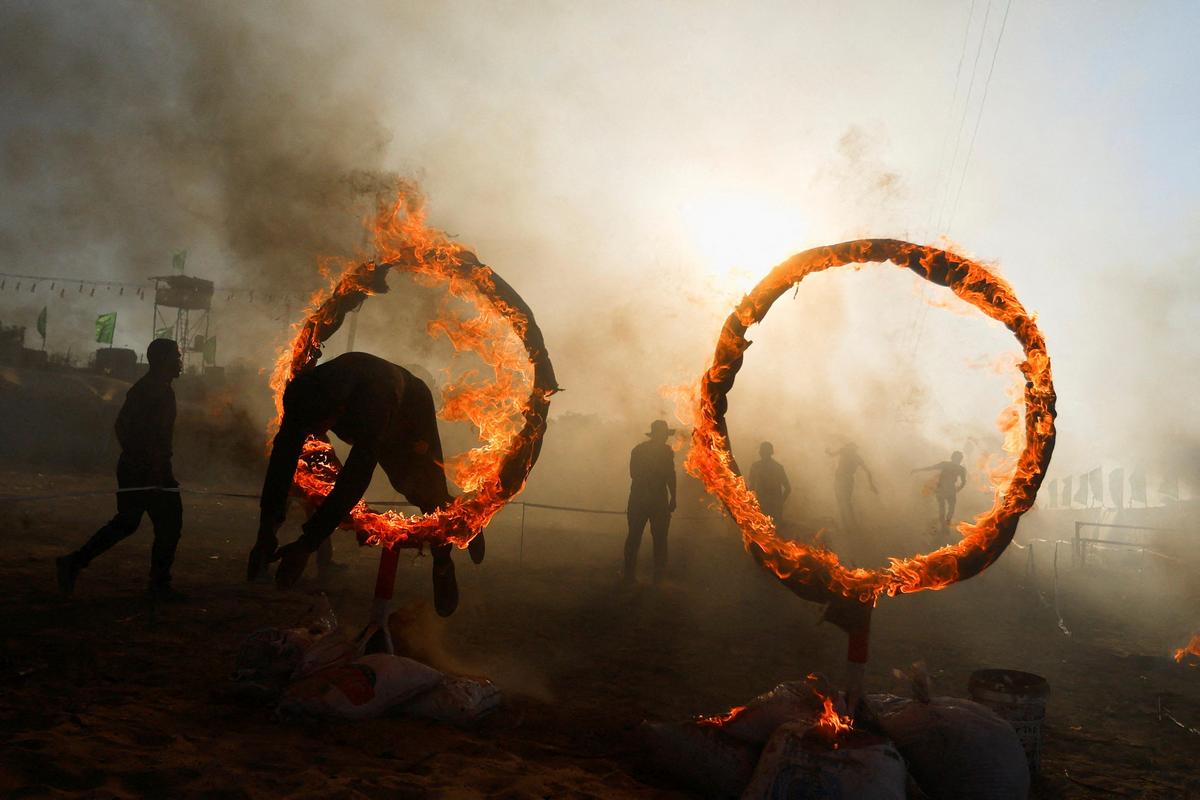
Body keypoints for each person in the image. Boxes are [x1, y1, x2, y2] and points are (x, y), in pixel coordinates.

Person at [247, 352, 482, 617]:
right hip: (373, 405)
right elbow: (282, 460)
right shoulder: (301, 396)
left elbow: (355, 477)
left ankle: (445, 558)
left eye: (319, 426)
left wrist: (307, 544)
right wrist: (266, 530)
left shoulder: (374, 401)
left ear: (339, 410)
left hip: (410, 409)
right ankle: (460, 518)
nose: (314, 434)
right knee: (407, 485)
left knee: (424, 491)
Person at [56, 338, 185, 601]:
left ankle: (74, 562)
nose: (180, 361)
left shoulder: (159, 389)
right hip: (145, 470)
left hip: (145, 467)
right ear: (163, 361)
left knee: (128, 522)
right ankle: (159, 584)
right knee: (169, 523)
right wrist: (147, 465)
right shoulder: (149, 390)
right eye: (176, 356)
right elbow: (124, 427)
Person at [623, 419, 677, 585]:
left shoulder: (639, 450)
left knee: (635, 536)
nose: (666, 438)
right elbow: (670, 475)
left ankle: (629, 575)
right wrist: (673, 497)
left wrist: (673, 496)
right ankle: (656, 577)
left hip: (640, 498)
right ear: (661, 435)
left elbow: (634, 474)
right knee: (658, 539)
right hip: (656, 500)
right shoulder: (666, 452)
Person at [828, 442, 876, 533]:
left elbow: (831, 454)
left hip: (844, 479)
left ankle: (851, 526)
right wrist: (871, 484)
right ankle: (849, 526)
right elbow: (867, 471)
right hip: (843, 479)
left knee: (844, 502)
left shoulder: (849, 454)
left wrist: (871, 484)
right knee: (843, 502)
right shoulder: (852, 455)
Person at [911, 450, 968, 528]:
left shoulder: (950, 465)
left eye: (958, 459)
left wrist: (918, 470)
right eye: (958, 458)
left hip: (945, 489)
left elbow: (931, 468)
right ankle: (946, 523)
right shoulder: (959, 468)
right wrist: (959, 489)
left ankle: (945, 523)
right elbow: (963, 482)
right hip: (947, 489)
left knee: (944, 506)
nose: (957, 460)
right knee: (948, 507)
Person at [748, 441, 791, 524]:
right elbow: (752, 486)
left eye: (765, 452)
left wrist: (780, 502)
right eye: (763, 452)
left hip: (769, 507)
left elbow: (788, 488)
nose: (763, 454)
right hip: (763, 506)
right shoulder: (757, 467)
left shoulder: (758, 467)